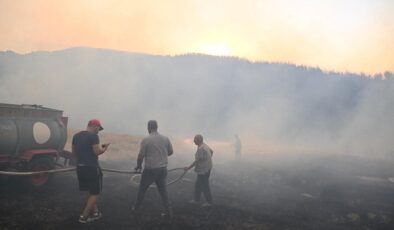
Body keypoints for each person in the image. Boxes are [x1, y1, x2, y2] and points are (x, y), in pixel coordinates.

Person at [133, 120, 174, 217]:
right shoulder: (165, 138)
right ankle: (168, 212)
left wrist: (139, 166)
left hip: (150, 169)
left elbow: (140, 156)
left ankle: (136, 208)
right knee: (163, 191)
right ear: (157, 127)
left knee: (142, 189)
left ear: (148, 128)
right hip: (163, 169)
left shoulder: (146, 139)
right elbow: (171, 152)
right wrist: (162, 156)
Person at [72, 119, 109, 223]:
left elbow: (74, 152)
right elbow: (96, 152)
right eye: (98, 128)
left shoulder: (76, 135)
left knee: (89, 191)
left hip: (80, 167)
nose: (98, 131)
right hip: (91, 168)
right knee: (95, 193)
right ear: (94, 126)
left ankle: (95, 211)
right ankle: (84, 217)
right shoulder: (93, 136)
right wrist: (104, 149)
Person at [184, 134, 213, 207]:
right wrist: (207, 159)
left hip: (203, 170)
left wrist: (188, 168)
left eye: (195, 139)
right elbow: (212, 151)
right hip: (207, 168)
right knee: (198, 184)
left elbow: (197, 161)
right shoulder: (205, 145)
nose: (194, 141)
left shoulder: (200, 149)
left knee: (204, 185)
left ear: (198, 140)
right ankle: (197, 200)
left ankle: (209, 202)